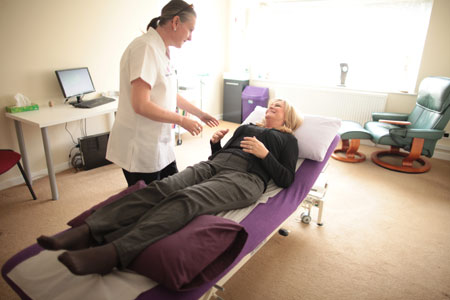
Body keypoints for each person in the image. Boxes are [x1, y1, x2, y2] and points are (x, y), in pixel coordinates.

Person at [37, 99, 303, 276]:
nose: (270, 107)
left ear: (287, 116)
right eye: (269, 105)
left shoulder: (287, 140)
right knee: (161, 188)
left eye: (277, 106)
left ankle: (114, 253)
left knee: (188, 199)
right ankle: (89, 230)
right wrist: (215, 144)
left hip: (246, 179)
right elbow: (219, 157)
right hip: (215, 165)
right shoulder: (246, 127)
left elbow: (286, 179)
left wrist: (265, 154)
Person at [106, 0, 219, 187]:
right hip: (140, 145)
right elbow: (141, 104)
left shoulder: (162, 50)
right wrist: (182, 120)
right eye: (190, 29)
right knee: (149, 204)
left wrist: (200, 114)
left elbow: (167, 94)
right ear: (175, 22)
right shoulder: (145, 48)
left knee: (175, 191)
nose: (191, 37)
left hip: (160, 144)